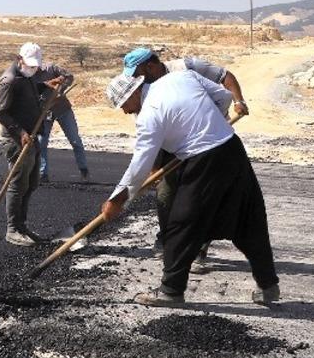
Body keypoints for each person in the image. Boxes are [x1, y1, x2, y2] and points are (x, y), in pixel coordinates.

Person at [102, 71, 279, 307]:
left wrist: (118, 200)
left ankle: (171, 291)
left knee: (181, 224)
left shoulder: (149, 115)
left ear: (134, 92)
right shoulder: (180, 77)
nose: (125, 111)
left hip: (204, 161)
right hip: (232, 149)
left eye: (124, 104)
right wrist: (208, 125)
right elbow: (224, 97)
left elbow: (141, 163)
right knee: (248, 220)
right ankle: (269, 286)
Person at [122, 47, 249, 263]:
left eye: (137, 72)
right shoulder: (141, 89)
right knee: (165, 192)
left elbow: (225, 78)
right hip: (170, 142)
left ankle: (199, 248)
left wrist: (239, 101)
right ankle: (166, 239)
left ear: (150, 66)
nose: (134, 78)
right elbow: (146, 132)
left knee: (203, 196)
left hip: (207, 143)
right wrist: (153, 167)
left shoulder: (187, 67)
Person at [0, 43, 64, 246]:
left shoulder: (27, 76)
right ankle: (13, 229)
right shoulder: (9, 81)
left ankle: (22, 226)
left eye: (36, 66)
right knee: (18, 183)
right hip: (17, 140)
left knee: (31, 183)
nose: (33, 70)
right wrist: (20, 132)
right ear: (19, 59)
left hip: (32, 137)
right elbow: (0, 112)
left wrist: (46, 84)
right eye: (30, 65)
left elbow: (29, 92)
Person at [32, 57, 90, 183]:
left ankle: (83, 170)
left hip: (62, 109)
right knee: (42, 143)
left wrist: (61, 87)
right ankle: (43, 174)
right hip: (44, 112)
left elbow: (69, 76)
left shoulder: (51, 68)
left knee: (75, 140)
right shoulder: (29, 76)